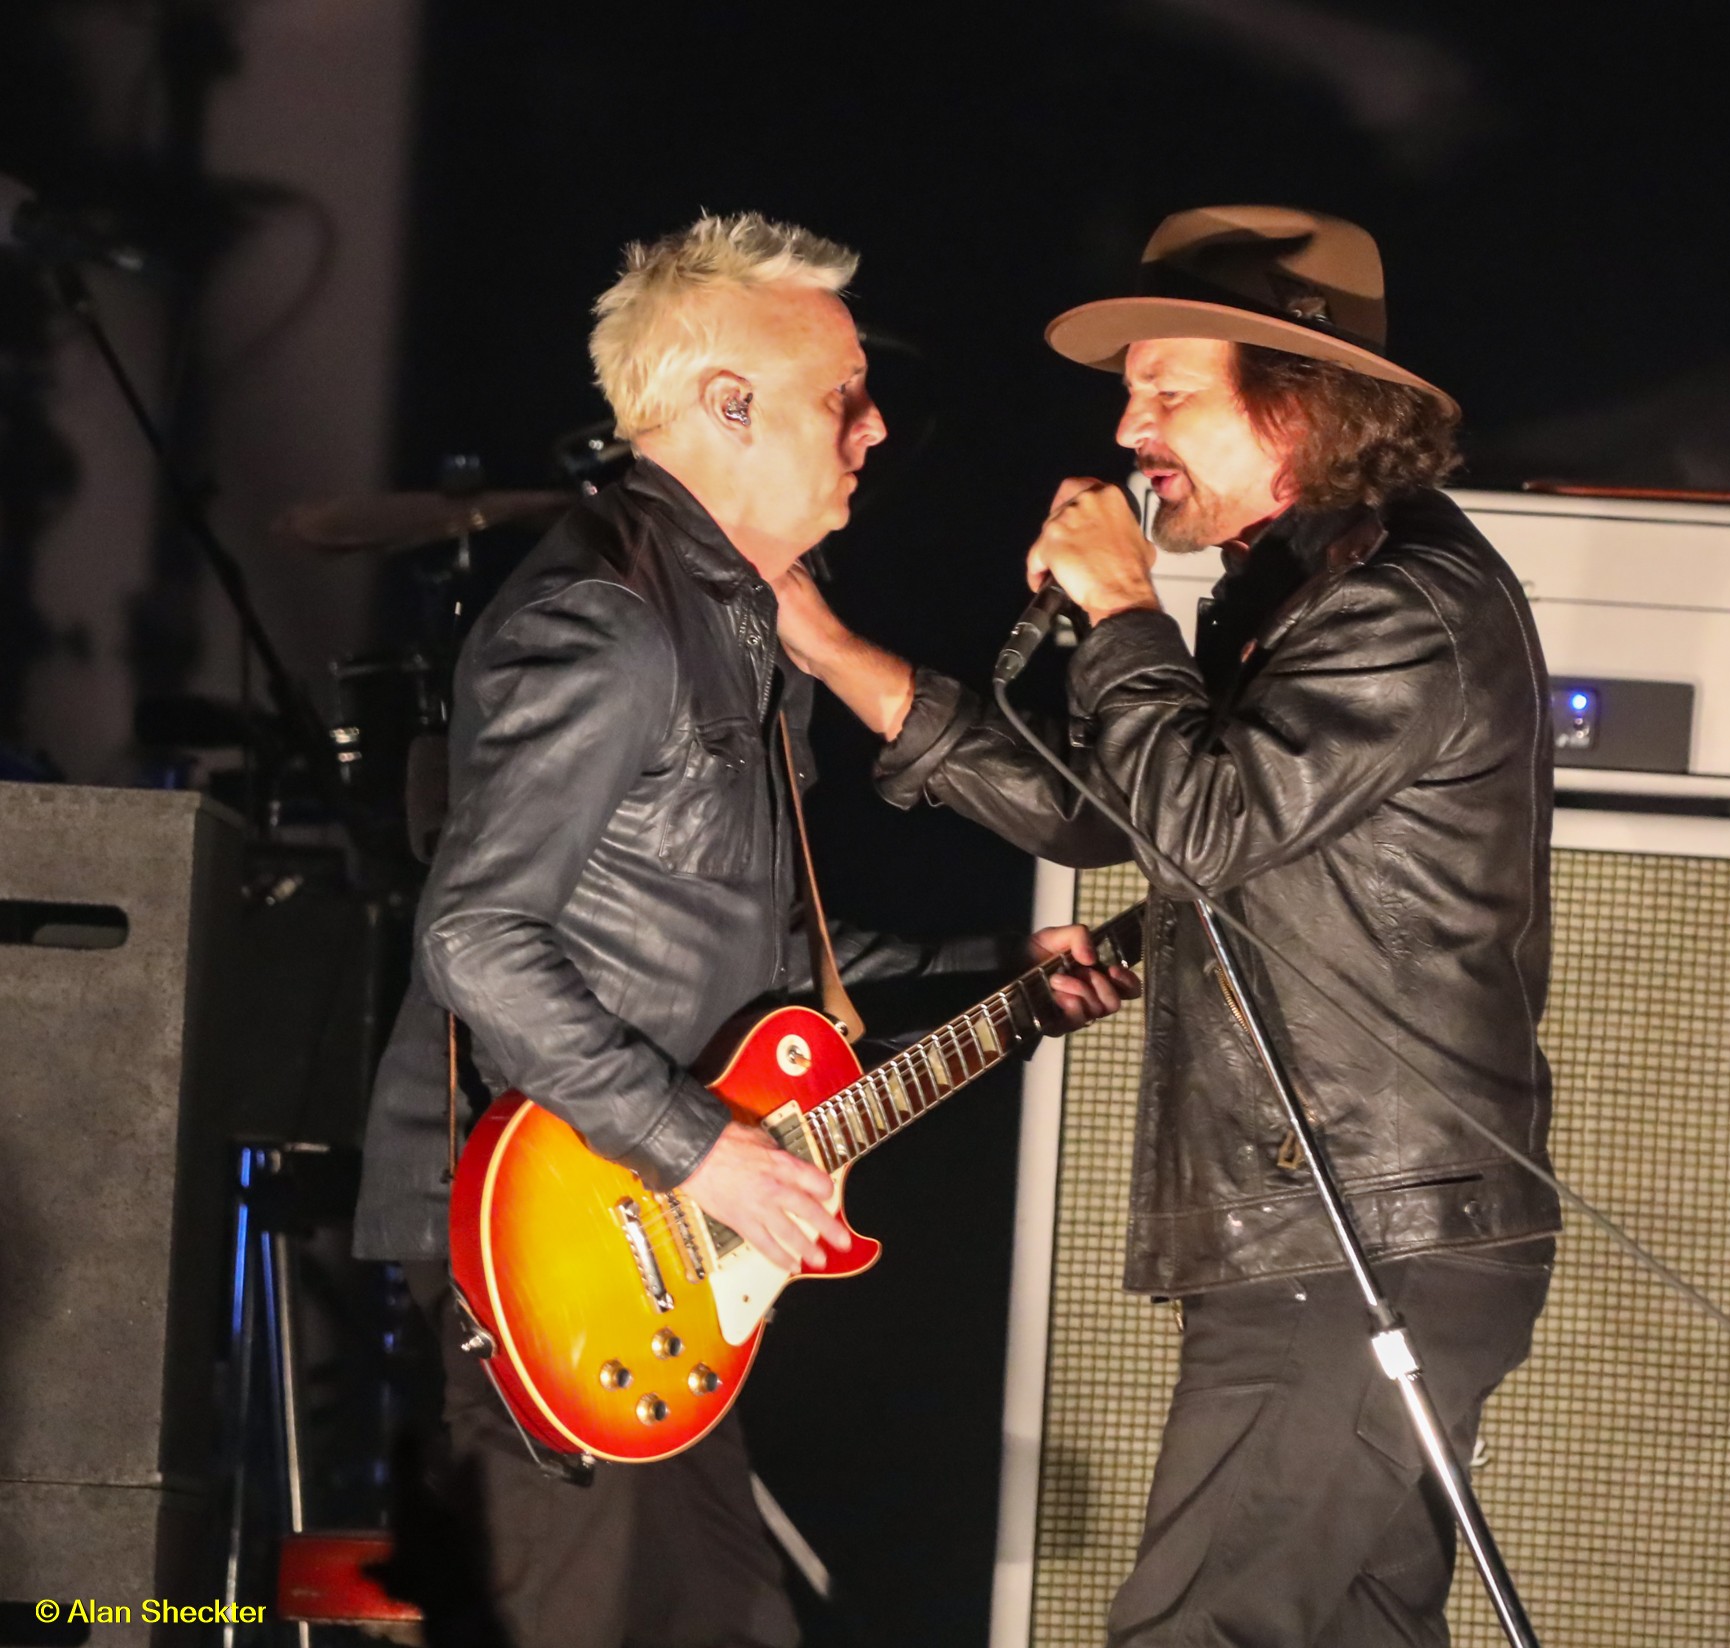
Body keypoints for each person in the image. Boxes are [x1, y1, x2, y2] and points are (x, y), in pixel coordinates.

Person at [774, 204, 1561, 1645]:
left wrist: (1126, 608)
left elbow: (1198, 822)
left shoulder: (1405, 606)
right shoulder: (1294, 594)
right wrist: (832, 651)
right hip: (1342, 1231)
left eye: (1168, 390)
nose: (1130, 424)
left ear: (1301, 404)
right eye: (1131, 388)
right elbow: (1115, 813)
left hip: (1353, 1238)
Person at [351, 211, 1134, 1648]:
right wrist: (705, 1147)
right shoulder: (605, 620)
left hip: (655, 1254)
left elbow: (771, 980)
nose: (876, 426)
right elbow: (474, 936)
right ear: (728, 405)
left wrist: (1000, 979)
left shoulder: (736, 625)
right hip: (549, 1242)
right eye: (841, 395)